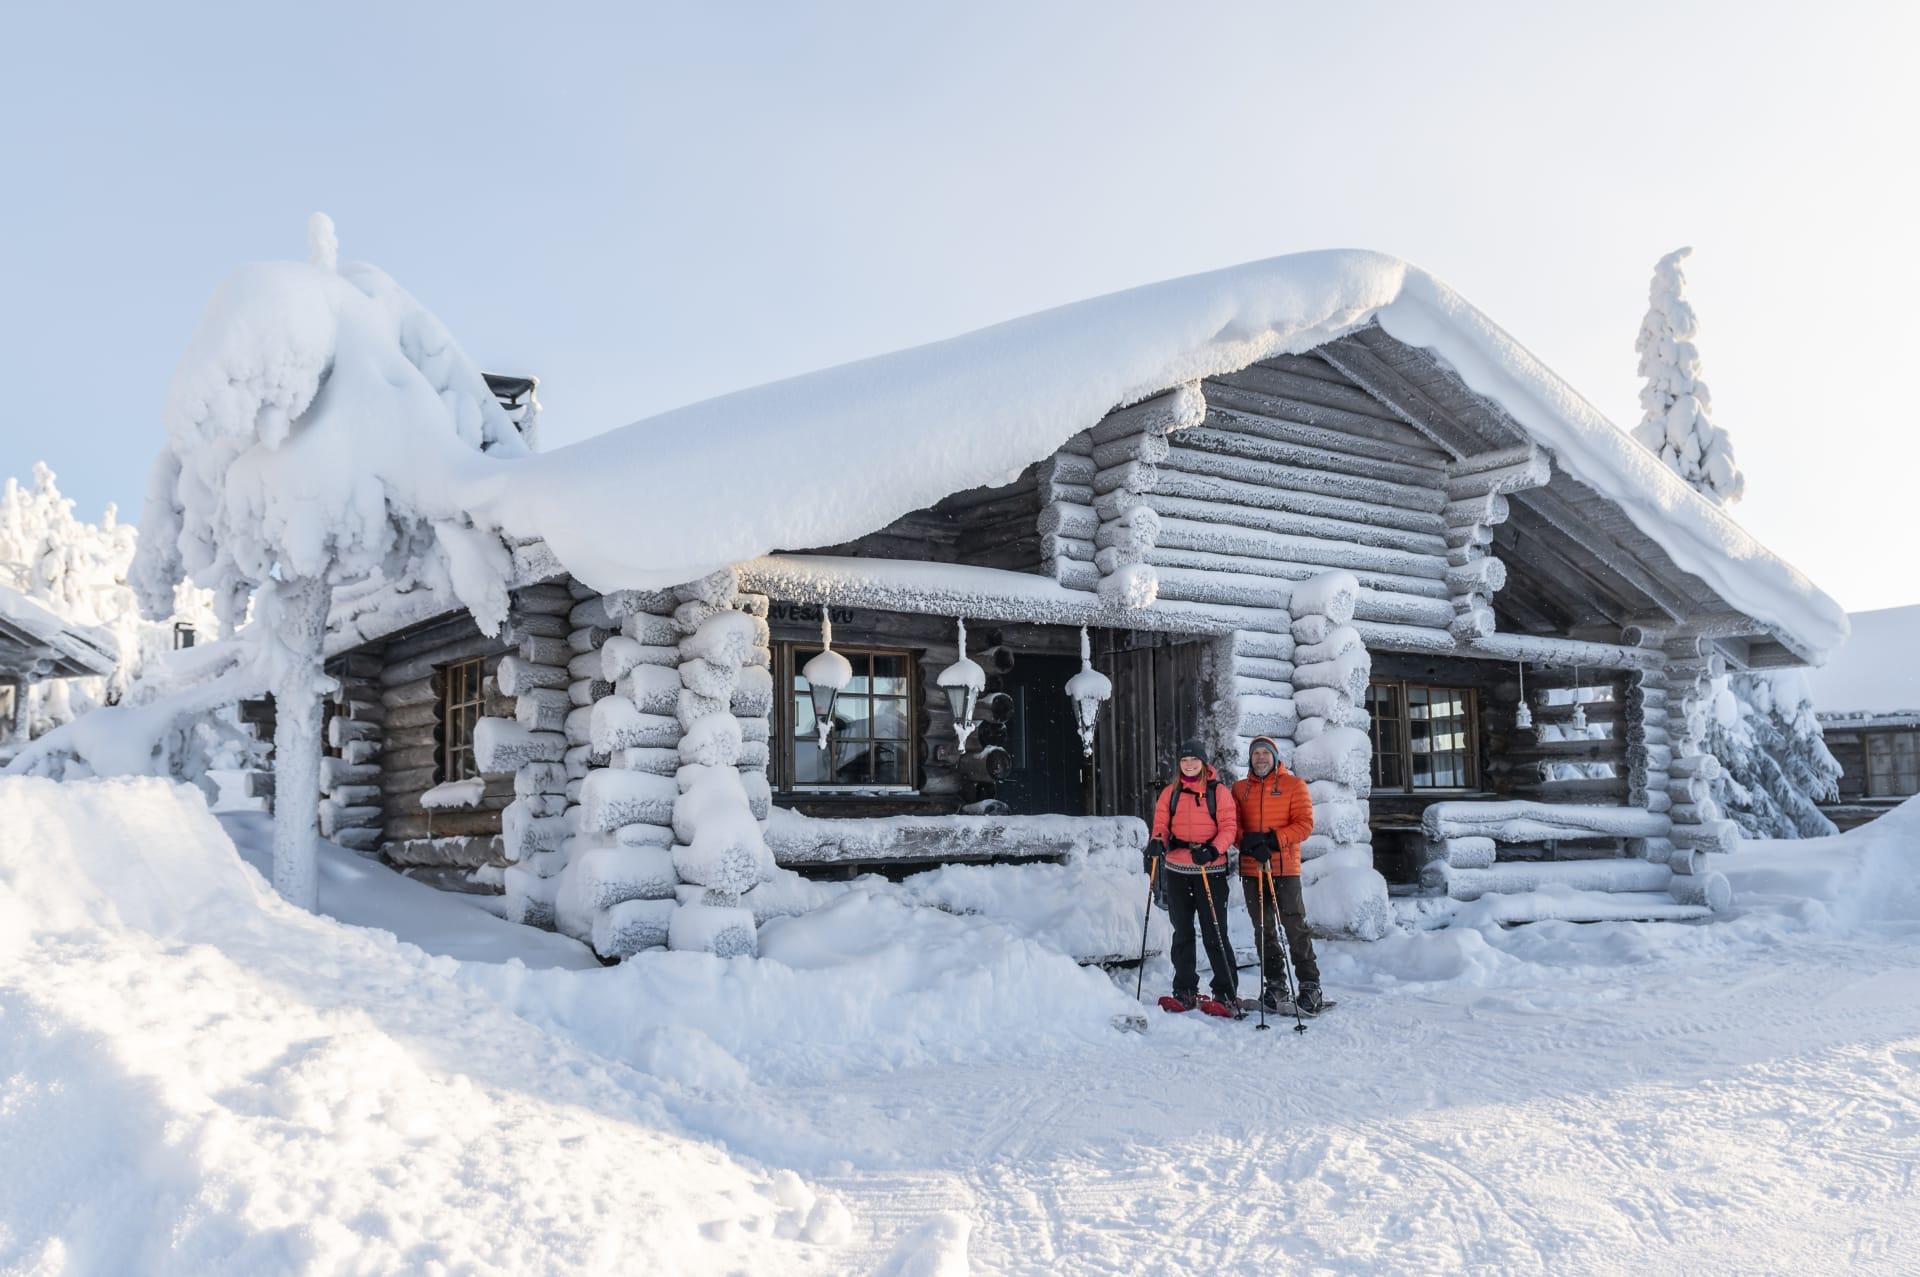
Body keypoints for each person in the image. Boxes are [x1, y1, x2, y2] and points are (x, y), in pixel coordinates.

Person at [1145, 739, 1241, 1016]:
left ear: (1203, 763)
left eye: (1193, 760)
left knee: (1214, 932)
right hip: (1177, 870)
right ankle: (1184, 990)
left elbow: (1229, 828)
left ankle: (1226, 993)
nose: (1188, 765)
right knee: (1183, 933)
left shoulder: (1218, 792)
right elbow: (1161, 825)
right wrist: (1158, 841)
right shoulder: (1170, 793)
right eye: (1184, 761)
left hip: (1208, 870)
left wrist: (1212, 850)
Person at [1229, 735, 1323, 1015]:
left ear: (1274, 757)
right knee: (1263, 929)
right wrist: (1246, 842)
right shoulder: (1239, 789)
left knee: (1294, 926)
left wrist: (1273, 840)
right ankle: (1275, 985)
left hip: (1285, 869)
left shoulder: (1294, 786)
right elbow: (1231, 825)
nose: (1260, 758)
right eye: (1255, 753)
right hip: (1252, 869)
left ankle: (1309, 985)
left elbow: (1304, 824)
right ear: (1250, 758)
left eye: (1265, 753)